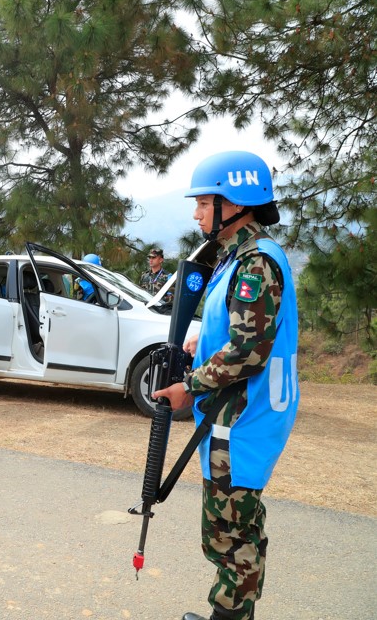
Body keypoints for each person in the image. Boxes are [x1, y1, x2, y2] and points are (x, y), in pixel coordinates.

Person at [151, 151, 299, 620]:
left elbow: (248, 352)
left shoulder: (257, 263)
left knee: (230, 534)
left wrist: (189, 386)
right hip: (233, 413)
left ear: (235, 203)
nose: (196, 212)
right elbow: (235, 334)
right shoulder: (238, 258)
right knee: (234, 529)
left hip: (241, 417)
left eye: (203, 202)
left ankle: (228, 616)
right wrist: (202, 339)